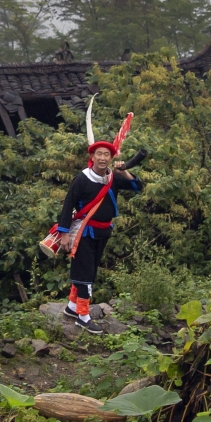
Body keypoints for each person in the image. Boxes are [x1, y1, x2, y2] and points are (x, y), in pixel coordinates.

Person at [50, 135, 144, 328]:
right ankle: (83, 316)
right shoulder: (82, 179)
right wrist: (65, 233)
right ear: (92, 156)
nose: (102, 158)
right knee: (84, 272)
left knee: (90, 270)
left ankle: (71, 305)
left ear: (110, 158)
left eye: (106, 154)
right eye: (99, 154)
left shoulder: (113, 177)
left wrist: (124, 171)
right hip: (84, 232)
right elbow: (68, 206)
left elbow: (137, 186)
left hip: (103, 232)